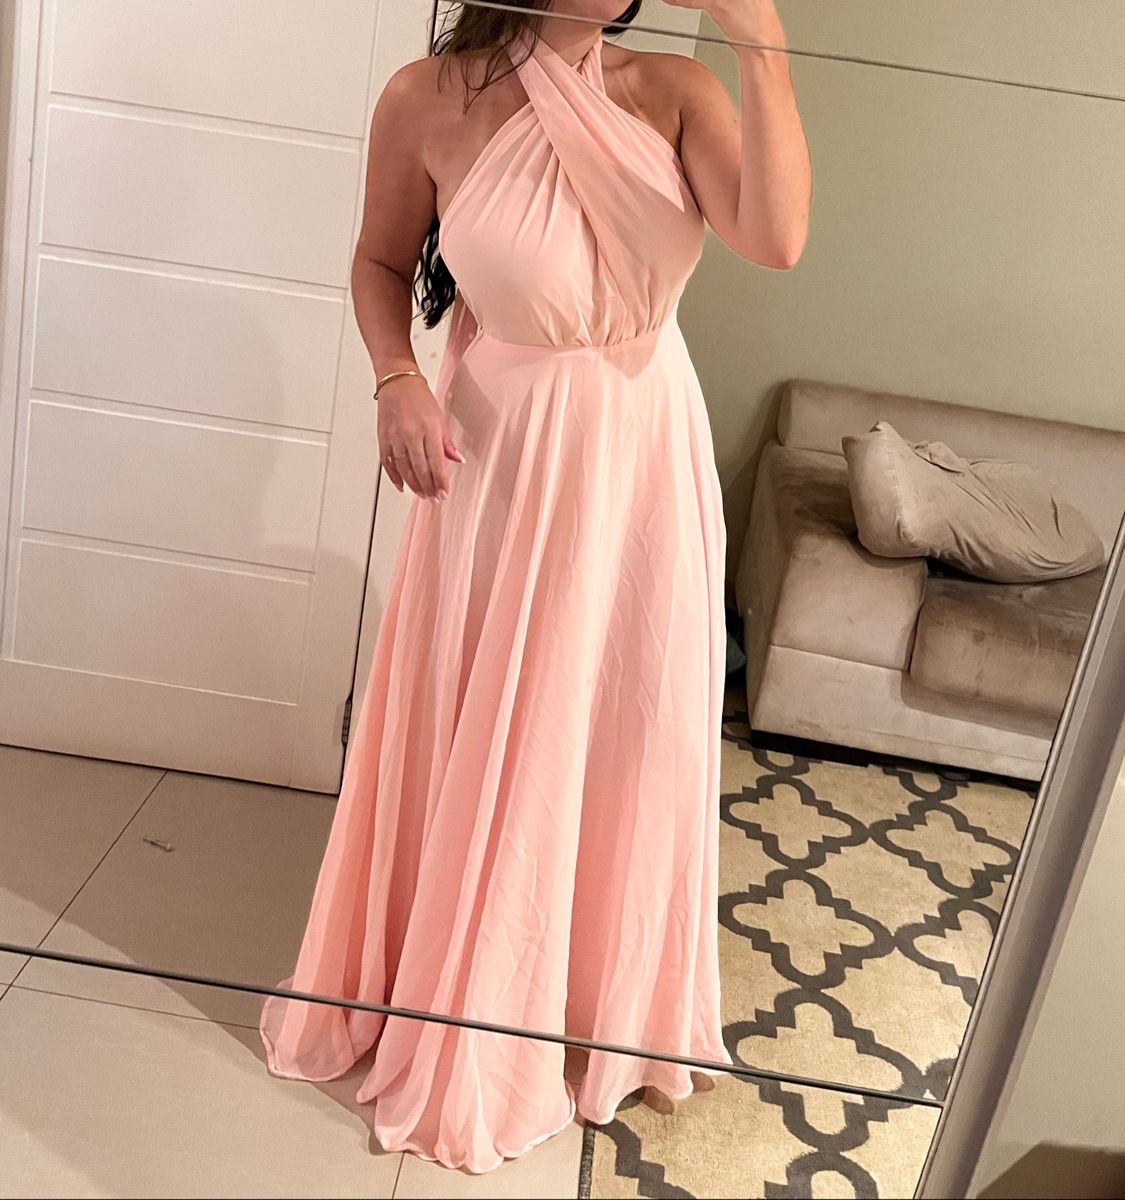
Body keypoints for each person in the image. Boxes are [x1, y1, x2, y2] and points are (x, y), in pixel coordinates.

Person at [260, 0, 810, 1174]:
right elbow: (379, 260)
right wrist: (397, 377)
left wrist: (760, 43)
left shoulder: (675, 94)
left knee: (629, 725)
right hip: (503, 447)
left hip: (644, 446)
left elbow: (777, 239)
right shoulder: (426, 98)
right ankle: (466, 992)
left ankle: (590, 1001)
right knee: (500, 715)